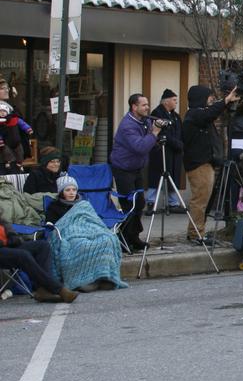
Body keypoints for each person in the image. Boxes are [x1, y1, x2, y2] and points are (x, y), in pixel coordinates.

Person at [181, 84, 239, 245]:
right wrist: (225, 101)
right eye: (208, 96)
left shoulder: (199, 115)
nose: (211, 99)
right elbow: (210, 114)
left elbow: (211, 112)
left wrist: (225, 103)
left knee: (204, 199)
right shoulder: (194, 115)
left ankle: (198, 231)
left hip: (206, 163)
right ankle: (195, 234)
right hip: (199, 165)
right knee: (200, 200)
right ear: (200, 98)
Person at [48, 176, 125, 293]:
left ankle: (104, 278)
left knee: (107, 239)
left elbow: (93, 219)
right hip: (70, 234)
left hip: (90, 230)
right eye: (67, 190)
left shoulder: (84, 204)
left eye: (74, 190)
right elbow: (56, 225)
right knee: (80, 245)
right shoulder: (55, 206)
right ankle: (82, 281)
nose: (71, 193)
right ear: (61, 192)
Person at [109, 93, 163, 250]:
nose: (147, 107)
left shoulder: (144, 121)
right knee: (129, 205)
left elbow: (150, 139)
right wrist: (154, 133)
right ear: (134, 107)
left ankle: (134, 237)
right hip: (123, 169)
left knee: (139, 203)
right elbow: (140, 147)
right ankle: (124, 239)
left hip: (137, 168)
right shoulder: (127, 126)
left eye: (147, 104)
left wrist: (158, 131)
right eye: (144, 105)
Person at [0, 213, 77, 303]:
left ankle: (43, 290)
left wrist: (12, 235)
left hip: (9, 246)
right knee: (23, 255)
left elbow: (6, 225)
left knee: (42, 246)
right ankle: (58, 289)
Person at [145, 89, 184, 214]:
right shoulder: (157, 114)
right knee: (157, 175)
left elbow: (180, 131)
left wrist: (181, 144)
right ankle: (151, 202)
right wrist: (176, 143)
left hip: (174, 152)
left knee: (173, 176)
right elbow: (162, 133)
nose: (176, 102)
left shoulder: (175, 116)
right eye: (174, 100)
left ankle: (173, 203)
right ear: (166, 101)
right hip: (161, 151)